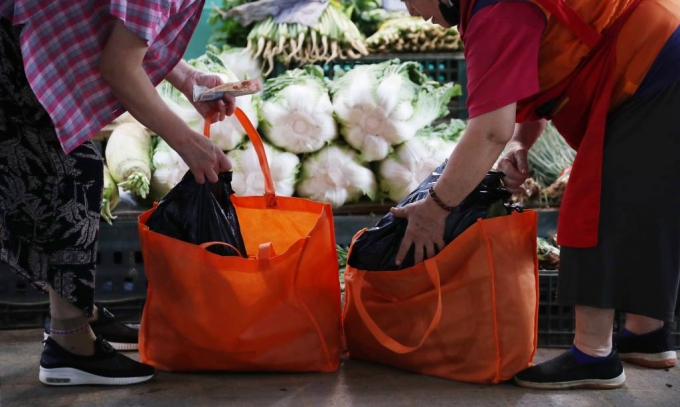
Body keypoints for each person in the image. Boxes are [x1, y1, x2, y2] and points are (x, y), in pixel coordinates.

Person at [396, 0, 680, 389]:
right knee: (643, 203)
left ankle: (593, 356)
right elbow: (554, 59)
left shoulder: (496, 13)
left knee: (593, 206)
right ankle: (647, 336)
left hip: (655, 66)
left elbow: (488, 133)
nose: (410, 11)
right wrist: (521, 142)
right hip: (662, 51)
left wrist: (436, 207)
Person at [0, 1, 235, 386]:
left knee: (70, 165)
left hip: (20, 39)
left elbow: (122, 29)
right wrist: (185, 141)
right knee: (73, 171)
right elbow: (118, 67)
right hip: (12, 44)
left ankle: (76, 314)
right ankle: (68, 343)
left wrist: (189, 79)